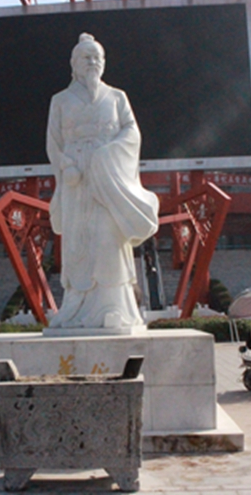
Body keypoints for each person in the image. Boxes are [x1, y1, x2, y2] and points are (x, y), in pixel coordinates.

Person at [46, 33, 159, 329]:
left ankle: (114, 307)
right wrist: (66, 165)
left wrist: (108, 155)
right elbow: (53, 143)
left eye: (98, 57)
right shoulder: (60, 100)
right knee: (77, 241)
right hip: (76, 180)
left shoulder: (117, 97)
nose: (93, 62)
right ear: (74, 63)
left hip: (108, 178)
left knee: (109, 237)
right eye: (87, 57)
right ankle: (74, 307)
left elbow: (132, 132)